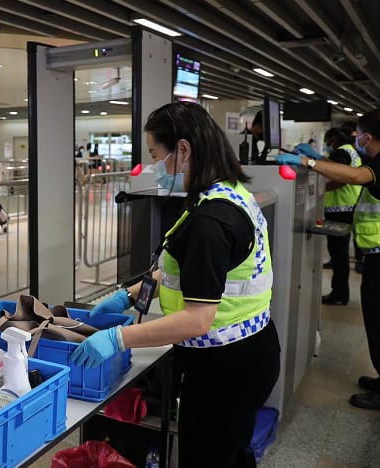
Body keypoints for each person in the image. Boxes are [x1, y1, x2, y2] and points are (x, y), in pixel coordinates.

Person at [72, 102, 280, 468]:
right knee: (232, 452)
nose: (154, 167)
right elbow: (186, 270)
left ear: (183, 150)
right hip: (249, 352)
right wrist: (128, 294)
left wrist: (118, 338)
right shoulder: (227, 194)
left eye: (155, 154)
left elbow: (197, 320)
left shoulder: (210, 221)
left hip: (224, 369)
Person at [276, 109, 380, 412]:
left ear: (368, 136)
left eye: (358, 133)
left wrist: (307, 162)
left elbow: (356, 176)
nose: (355, 138)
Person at [319, 128, 361, 305]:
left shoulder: (341, 152)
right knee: (340, 254)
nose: (327, 146)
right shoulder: (351, 151)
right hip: (348, 207)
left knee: (339, 255)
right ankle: (340, 293)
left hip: (339, 209)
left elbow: (341, 178)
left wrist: (321, 189)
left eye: (328, 142)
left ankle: (339, 294)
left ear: (334, 139)